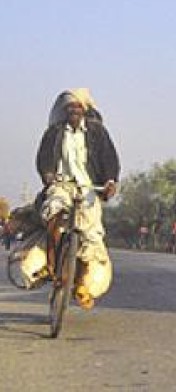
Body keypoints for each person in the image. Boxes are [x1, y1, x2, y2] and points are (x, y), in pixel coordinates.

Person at [36, 88, 120, 309]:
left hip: (89, 187)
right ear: (64, 112)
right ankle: (51, 265)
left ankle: (82, 283)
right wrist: (47, 174)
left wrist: (111, 181)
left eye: (78, 106)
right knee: (54, 213)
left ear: (84, 110)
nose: (74, 110)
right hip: (61, 185)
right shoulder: (54, 133)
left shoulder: (97, 133)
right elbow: (44, 157)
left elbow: (109, 158)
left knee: (91, 236)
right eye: (69, 107)